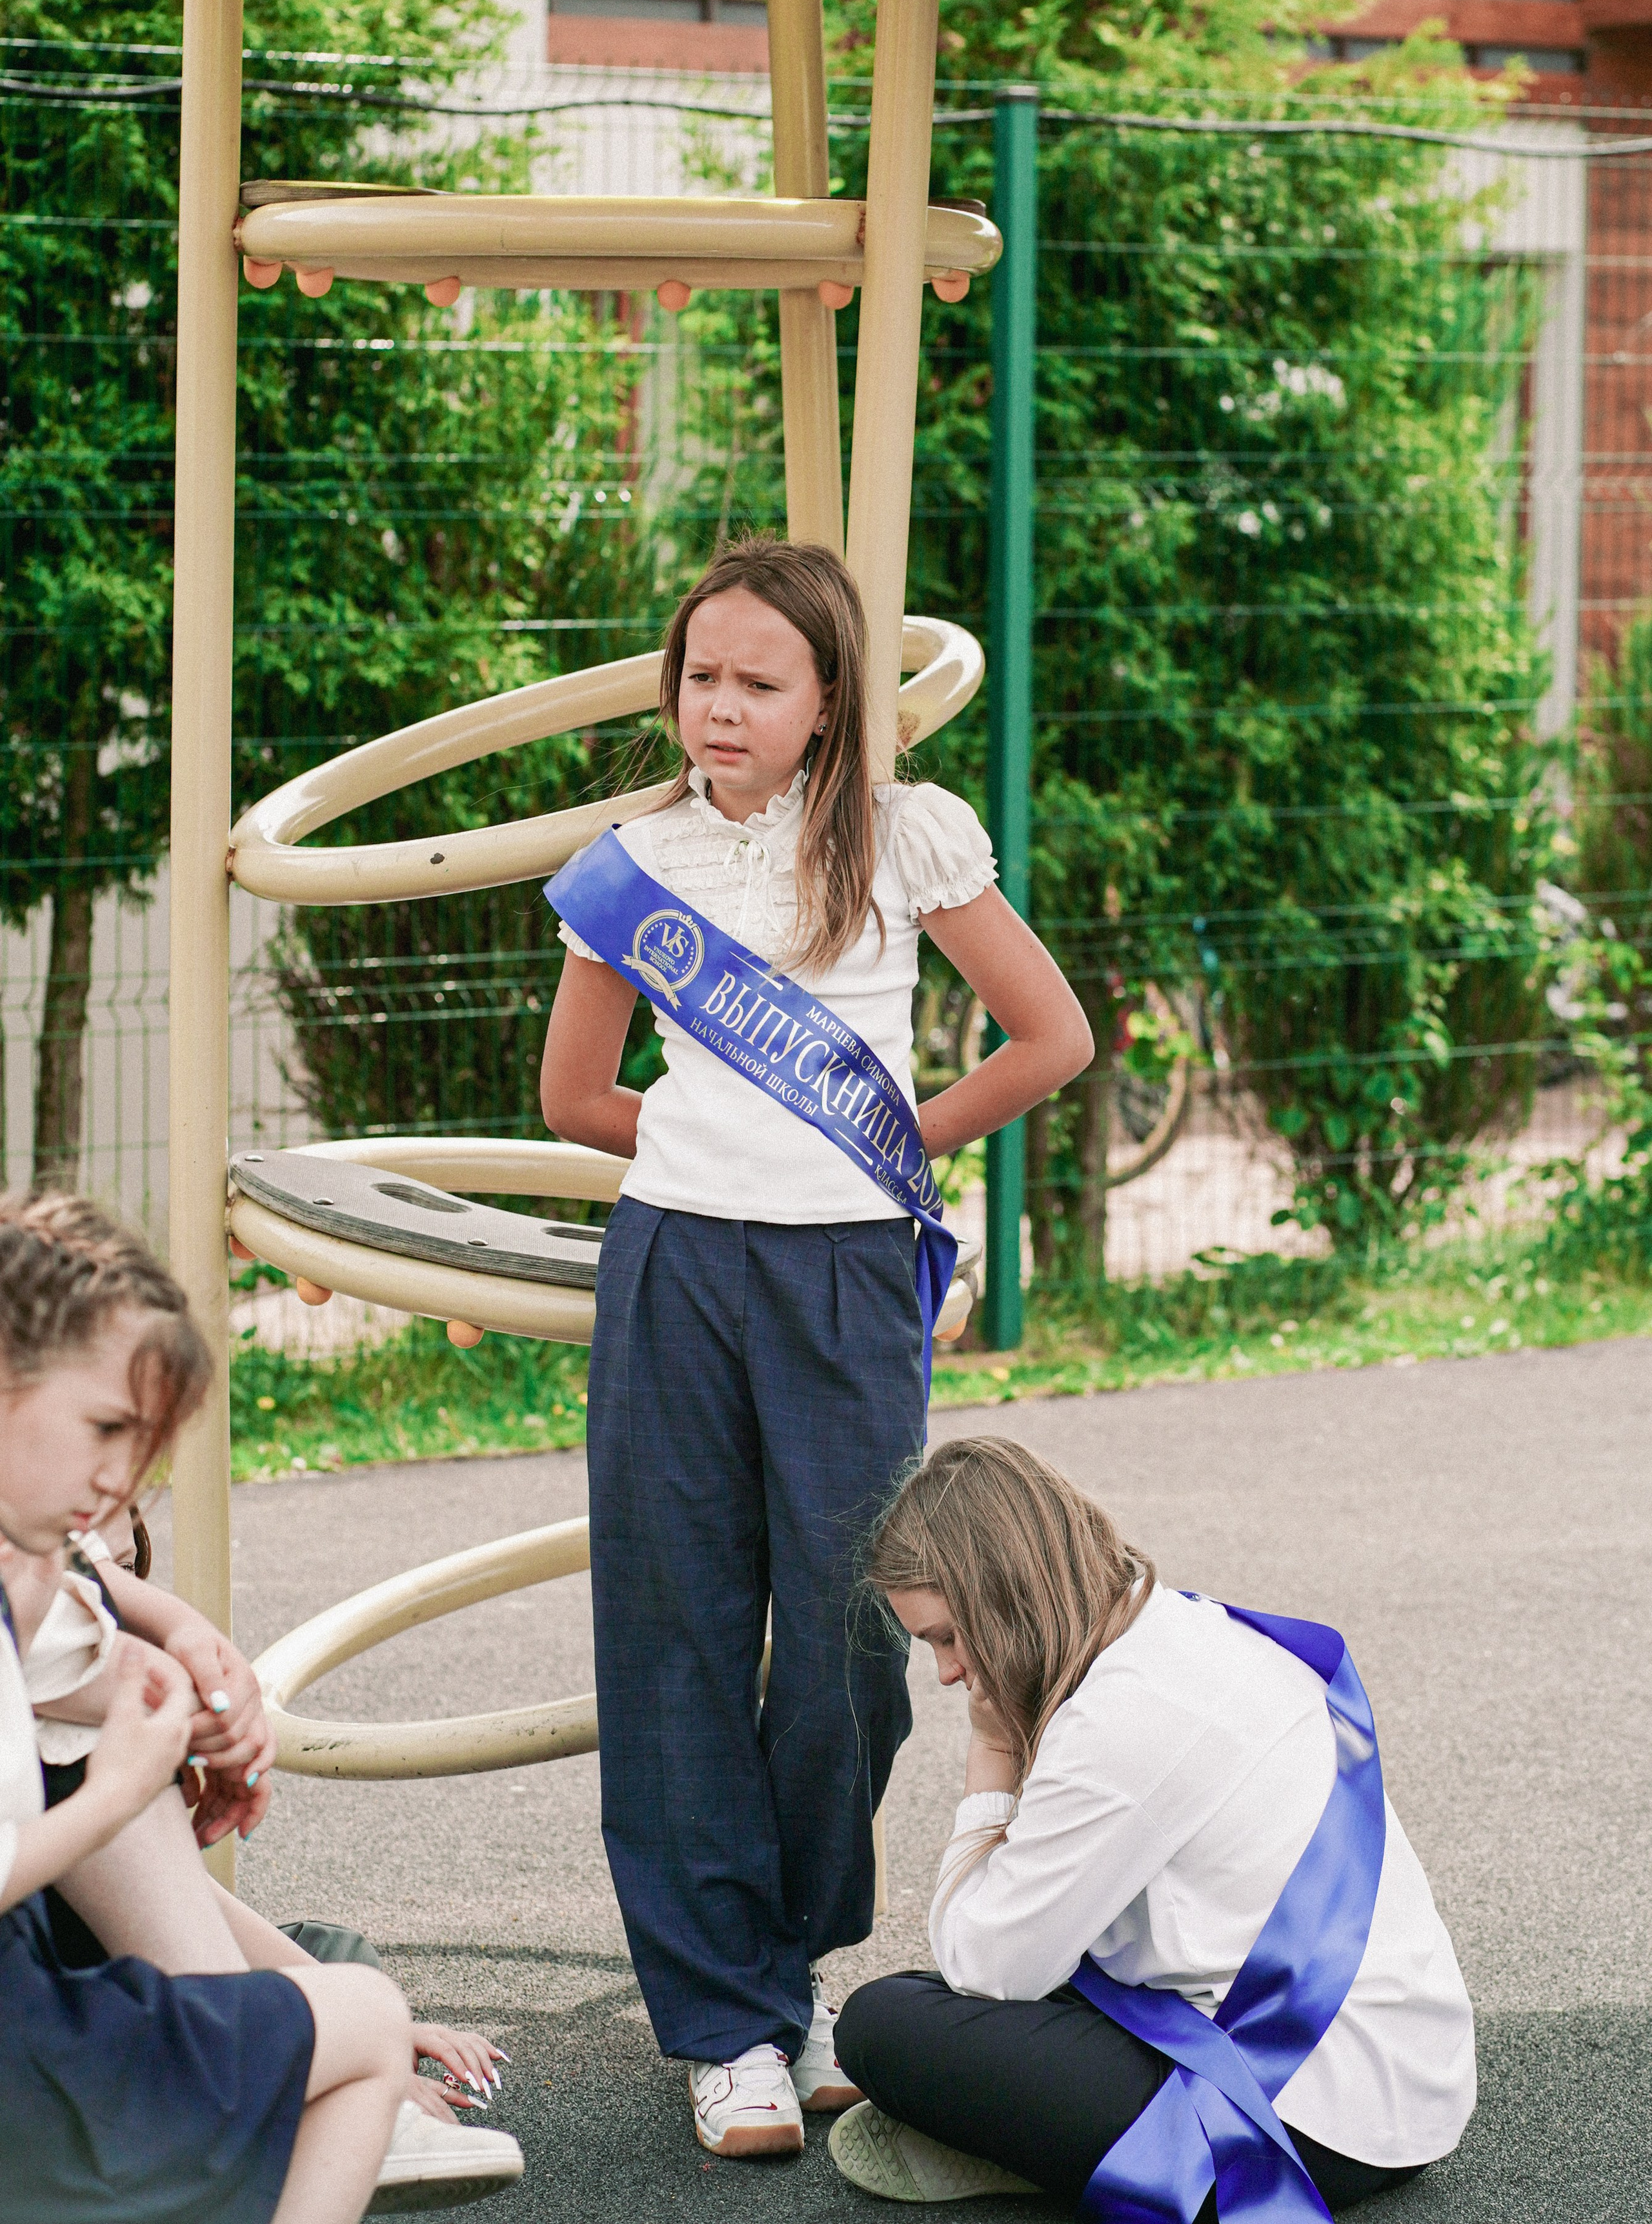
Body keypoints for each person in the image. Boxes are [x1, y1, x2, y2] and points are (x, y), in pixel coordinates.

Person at [538, 536, 1094, 2159]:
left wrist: (888, 1141)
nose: (718, 706)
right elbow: (575, 1100)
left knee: (860, 1640)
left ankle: (776, 1961)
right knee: (674, 1632)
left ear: (829, 695)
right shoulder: (627, 859)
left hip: (849, 1276)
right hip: (673, 1272)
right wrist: (718, 1140)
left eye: (755, 681)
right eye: (697, 676)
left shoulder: (905, 837)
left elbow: (1048, 1035)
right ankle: (724, 2021)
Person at [0, 1189, 523, 2221]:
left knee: (355, 1994)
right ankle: (275, 2100)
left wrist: (192, 1717)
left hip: (40, 2008)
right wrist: (120, 1788)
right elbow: (92, 1798)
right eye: (105, 1427)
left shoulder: (39, 1578)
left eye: (141, 1449)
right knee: (355, 2008)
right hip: (28, 2057)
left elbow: (114, 1699)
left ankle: (278, 2078)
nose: (116, 1483)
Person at [829, 1437, 1476, 2215]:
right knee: (990, 1985)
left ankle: (1056, 2155)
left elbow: (985, 1963)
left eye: (946, 1636)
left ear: (1006, 1591)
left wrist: (992, 1748)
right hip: (1400, 2073)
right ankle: (1049, 2141)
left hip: (1308, 2118)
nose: (945, 1673)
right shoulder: (1177, 1631)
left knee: (881, 2024)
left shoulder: (1122, 1718)